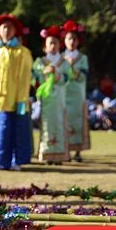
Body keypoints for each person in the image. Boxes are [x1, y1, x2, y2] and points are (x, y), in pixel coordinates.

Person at [0, 13, 33, 170]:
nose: (6, 30)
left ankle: (15, 160)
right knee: (0, 130)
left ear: (15, 31)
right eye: (4, 27)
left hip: (15, 100)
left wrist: (22, 99)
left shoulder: (22, 52)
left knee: (16, 130)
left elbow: (24, 77)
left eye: (10, 27)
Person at [32, 25, 71, 165]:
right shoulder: (39, 63)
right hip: (46, 100)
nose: (53, 46)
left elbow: (67, 79)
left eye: (56, 43)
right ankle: (47, 154)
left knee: (60, 124)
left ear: (60, 45)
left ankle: (60, 155)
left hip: (60, 99)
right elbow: (34, 81)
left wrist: (57, 74)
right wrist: (43, 74)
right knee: (46, 125)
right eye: (50, 43)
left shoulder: (64, 62)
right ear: (45, 46)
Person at [61, 19, 90, 162]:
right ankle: (64, 149)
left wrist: (73, 67)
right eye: (69, 38)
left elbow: (84, 76)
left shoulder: (82, 58)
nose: (71, 41)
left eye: (74, 39)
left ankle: (78, 151)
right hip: (64, 94)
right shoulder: (60, 57)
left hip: (78, 94)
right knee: (65, 120)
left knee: (78, 121)